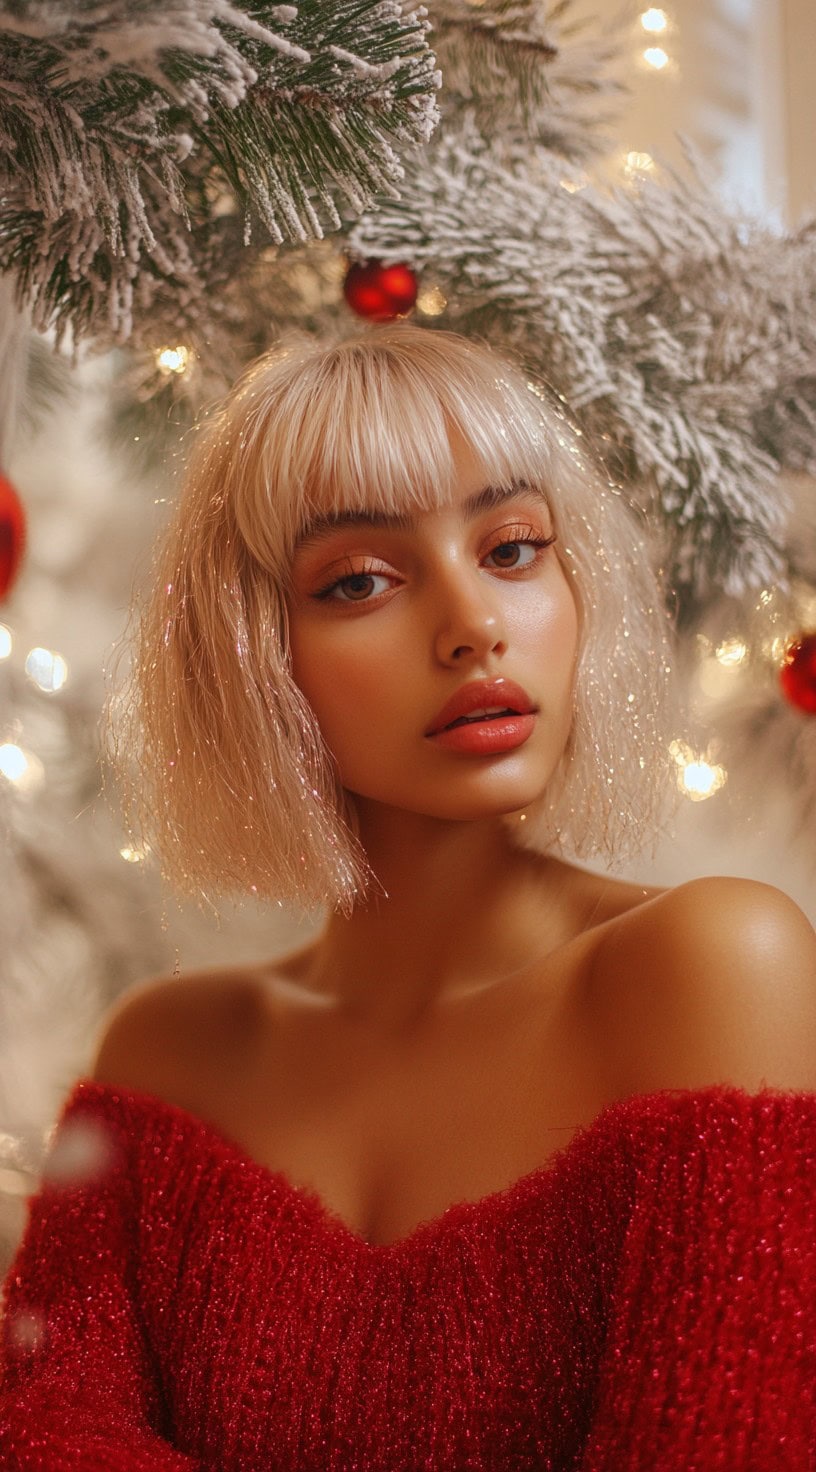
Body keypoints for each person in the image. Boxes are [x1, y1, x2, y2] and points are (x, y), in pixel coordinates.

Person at [1, 324, 815, 1470]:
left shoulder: (718, 958)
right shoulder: (162, 1064)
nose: (473, 621)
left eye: (515, 547)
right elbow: (45, 1437)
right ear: (253, 654)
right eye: (361, 578)